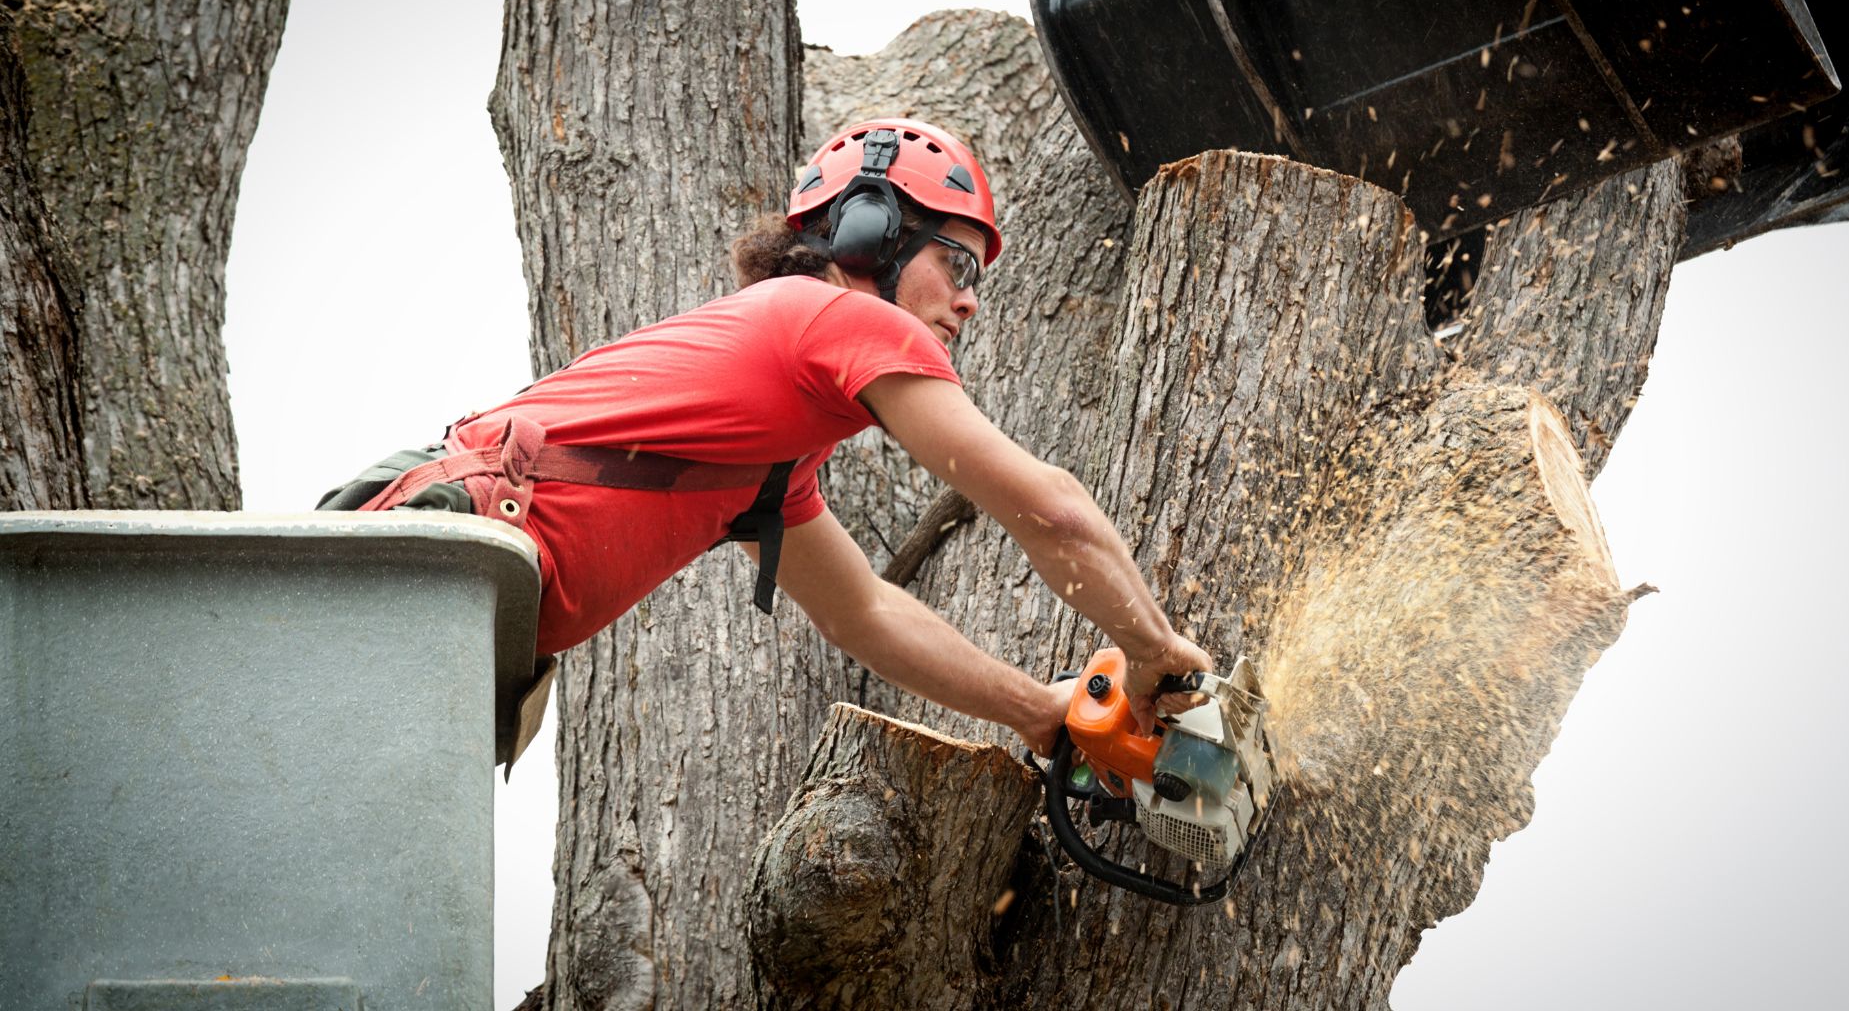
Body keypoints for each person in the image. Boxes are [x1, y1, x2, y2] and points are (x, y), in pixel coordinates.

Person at [318, 119, 1210, 765]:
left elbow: (864, 612)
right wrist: (1157, 651)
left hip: (456, 602)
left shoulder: (770, 462)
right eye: (957, 263)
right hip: (432, 562)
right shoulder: (836, 315)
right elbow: (1046, 504)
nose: (969, 299)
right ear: (874, 233)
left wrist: (1036, 710)